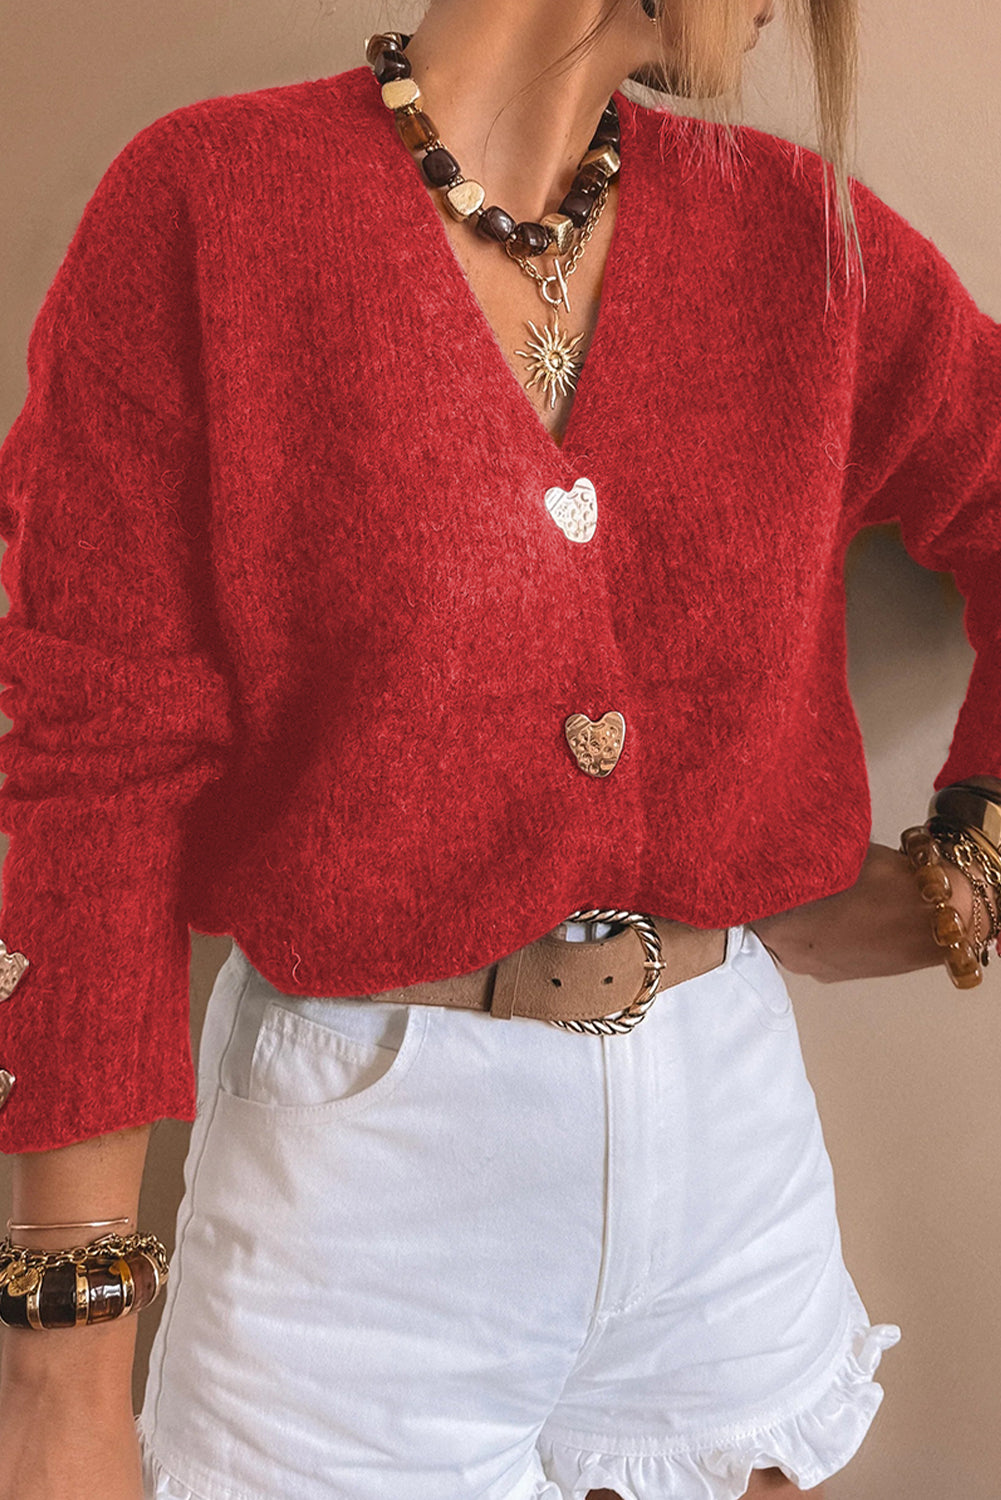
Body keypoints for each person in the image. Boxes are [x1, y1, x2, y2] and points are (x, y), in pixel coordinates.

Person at [0, 0, 999, 1496]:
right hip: (360, 1190)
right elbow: (94, 773)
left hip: (725, 1159)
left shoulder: (796, 239)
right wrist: (57, 1381)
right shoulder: (212, 209)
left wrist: (969, 874)